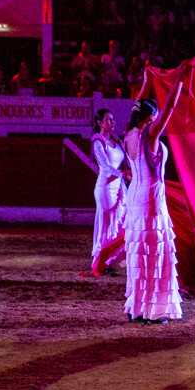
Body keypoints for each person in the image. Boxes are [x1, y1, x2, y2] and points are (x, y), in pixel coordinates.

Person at [123, 62, 189, 324]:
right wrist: (180, 78)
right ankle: (153, 311)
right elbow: (170, 109)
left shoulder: (129, 134)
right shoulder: (149, 135)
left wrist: (147, 81)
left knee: (139, 254)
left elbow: (137, 106)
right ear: (151, 118)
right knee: (154, 255)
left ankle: (137, 309)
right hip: (150, 200)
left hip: (135, 198)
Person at [89, 108, 128, 275]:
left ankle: (109, 261)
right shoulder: (98, 142)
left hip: (118, 186)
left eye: (113, 119)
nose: (112, 122)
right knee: (106, 224)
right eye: (108, 119)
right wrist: (124, 175)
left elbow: (127, 160)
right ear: (100, 123)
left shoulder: (117, 141)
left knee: (121, 222)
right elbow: (105, 167)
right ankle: (100, 262)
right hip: (105, 187)